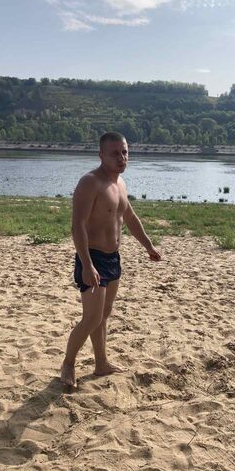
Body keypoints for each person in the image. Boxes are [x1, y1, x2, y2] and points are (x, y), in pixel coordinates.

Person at [61, 131, 161, 388]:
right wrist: (86, 264)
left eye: (125, 152)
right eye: (115, 153)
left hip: (113, 258)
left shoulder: (121, 184)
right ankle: (69, 363)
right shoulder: (90, 182)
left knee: (104, 314)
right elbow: (77, 226)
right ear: (101, 155)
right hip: (92, 257)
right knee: (91, 318)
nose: (121, 158)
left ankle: (101, 363)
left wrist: (148, 245)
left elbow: (130, 218)